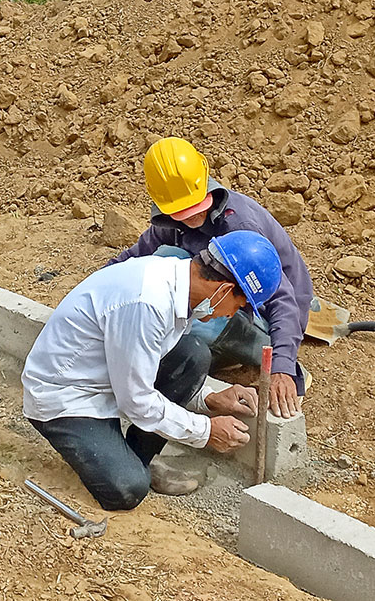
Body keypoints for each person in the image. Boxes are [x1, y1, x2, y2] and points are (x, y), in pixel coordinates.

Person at [23, 229, 282, 511]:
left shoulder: (176, 282)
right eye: (239, 305)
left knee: (192, 354)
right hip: (65, 397)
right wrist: (205, 431)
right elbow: (136, 400)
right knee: (127, 489)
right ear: (223, 290)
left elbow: (145, 365)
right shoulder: (147, 303)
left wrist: (207, 400)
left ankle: (136, 456)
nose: (232, 313)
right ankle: (127, 465)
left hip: (106, 376)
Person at [107, 138, 317, 420]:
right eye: (182, 212)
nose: (192, 217)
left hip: (262, 304)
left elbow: (283, 299)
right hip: (224, 299)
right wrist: (94, 295)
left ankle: (256, 352)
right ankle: (211, 351)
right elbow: (134, 257)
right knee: (165, 260)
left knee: (189, 300)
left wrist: (282, 366)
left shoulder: (239, 228)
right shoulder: (173, 222)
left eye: (197, 207)